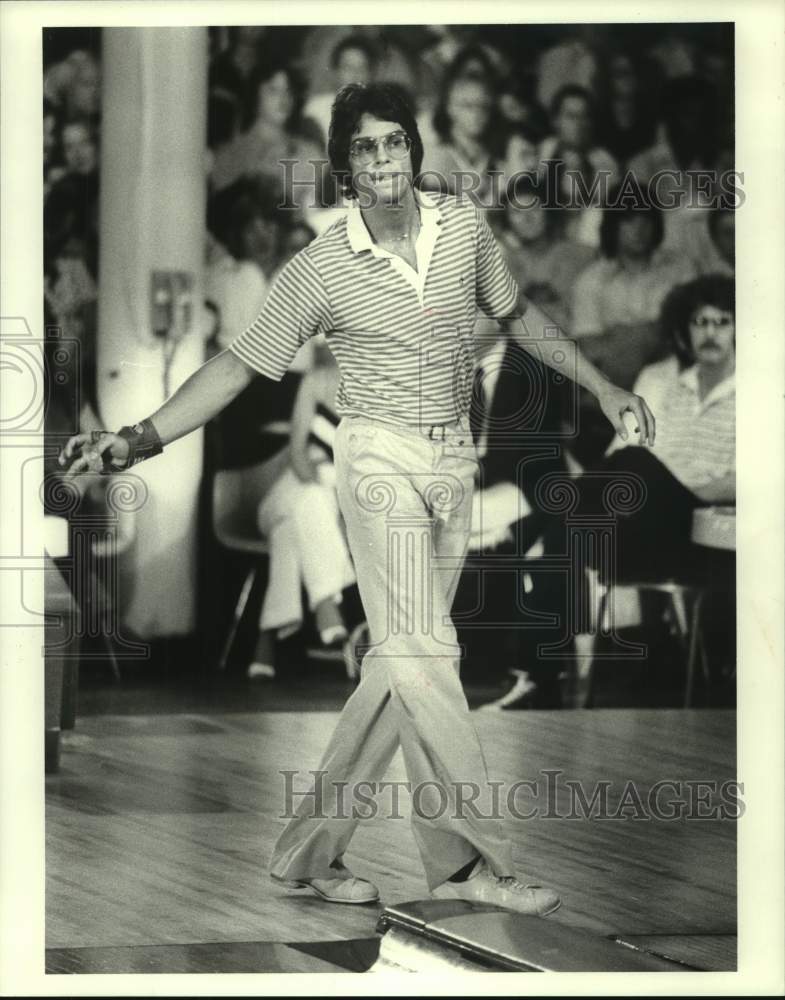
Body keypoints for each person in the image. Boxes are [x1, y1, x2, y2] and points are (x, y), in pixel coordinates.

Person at [60, 82, 655, 915]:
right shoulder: (322, 266)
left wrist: (603, 386)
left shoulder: (463, 231)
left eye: (393, 143)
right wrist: (131, 441)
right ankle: (469, 864)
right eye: (364, 150)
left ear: (415, 150)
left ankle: (306, 853)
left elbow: (519, 318)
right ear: (344, 168)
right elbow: (235, 367)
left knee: (397, 667)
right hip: (376, 459)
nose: (382, 161)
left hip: (454, 455)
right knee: (427, 657)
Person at [248, 339, 356, 680]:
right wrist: (324, 483)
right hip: (289, 491)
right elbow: (297, 456)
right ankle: (325, 602)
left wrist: (335, 492)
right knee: (310, 501)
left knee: (290, 531)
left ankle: (265, 640)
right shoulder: (315, 381)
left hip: (323, 506)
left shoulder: (379, 392)